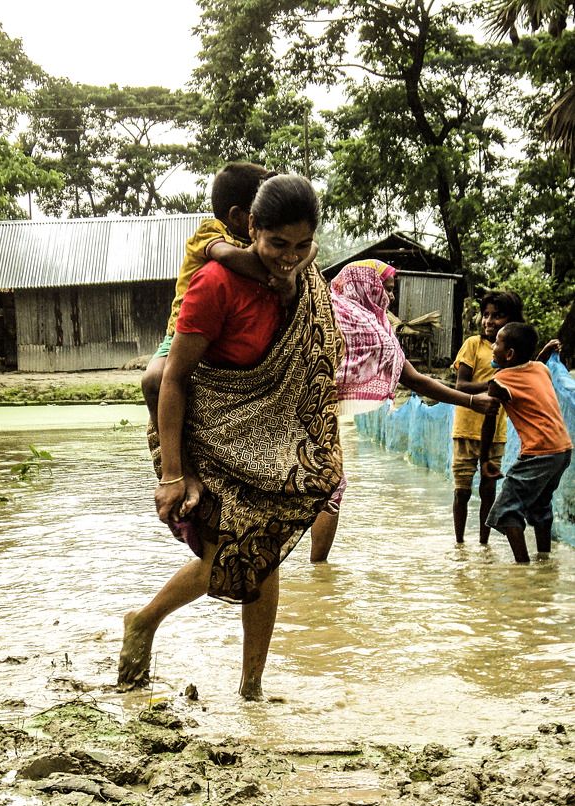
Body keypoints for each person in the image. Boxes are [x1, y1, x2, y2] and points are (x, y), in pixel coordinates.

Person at [118, 175, 343, 699]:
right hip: (214, 438)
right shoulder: (215, 283)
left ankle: (252, 690)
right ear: (251, 230)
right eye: (277, 245)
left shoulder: (305, 283)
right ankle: (144, 621)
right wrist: (174, 474)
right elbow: (171, 379)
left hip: (275, 445)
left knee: (264, 555)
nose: (290, 258)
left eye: (303, 245)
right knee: (227, 554)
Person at [309, 260, 501, 562]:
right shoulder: (368, 327)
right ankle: (317, 569)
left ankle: (308, 576)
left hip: (300, 414)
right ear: (367, 287)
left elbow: (414, 379)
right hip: (314, 420)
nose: (391, 298)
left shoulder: (322, 311)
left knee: (305, 491)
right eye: (386, 290)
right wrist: (471, 401)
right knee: (329, 490)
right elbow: (414, 379)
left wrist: (471, 402)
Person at [141, 161, 317, 431]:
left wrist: (292, 272)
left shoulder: (279, 247)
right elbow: (229, 257)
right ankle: (171, 455)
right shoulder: (212, 233)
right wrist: (278, 277)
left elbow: (313, 247)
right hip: (179, 330)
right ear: (245, 219)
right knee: (155, 380)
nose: (290, 253)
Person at [480, 327, 572, 563]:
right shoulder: (541, 368)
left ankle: (522, 568)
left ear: (509, 354)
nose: (493, 346)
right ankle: (544, 562)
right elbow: (531, 367)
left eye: (497, 343)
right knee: (541, 506)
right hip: (562, 449)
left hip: (539, 452)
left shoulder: (499, 380)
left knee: (506, 510)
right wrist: (542, 353)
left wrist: (485, 459)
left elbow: (489, 419)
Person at [451, 290, 525, 545]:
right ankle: (459, 543)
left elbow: (530, 373)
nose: (489, 321)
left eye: (497, 316)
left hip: (495, 433)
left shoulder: (510, 354)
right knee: (461, 491)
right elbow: (461, 385)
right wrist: (491, 385)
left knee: (488, 490)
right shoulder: (473, 344)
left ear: (511, 320)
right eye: (486, 315)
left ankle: (483, 544)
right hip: (465, 430)